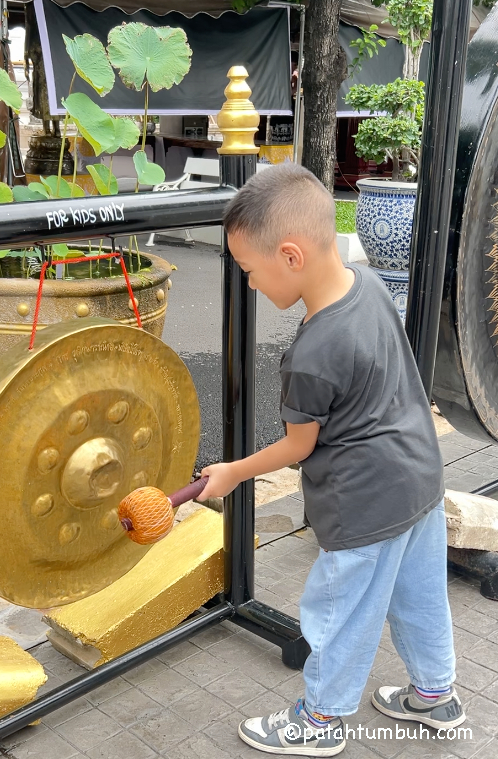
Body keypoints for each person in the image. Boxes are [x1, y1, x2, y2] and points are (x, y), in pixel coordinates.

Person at [196, 164, 465, 756]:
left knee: (342, 611)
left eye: (249, 271)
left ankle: (320, 720)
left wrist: (231, 473)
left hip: (364, 503)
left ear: (290, 256)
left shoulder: (311, 353)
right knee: (419, 594)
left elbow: (299, 446)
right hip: (419, 477)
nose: (249, 284)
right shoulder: (368, 285)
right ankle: (435, 695)